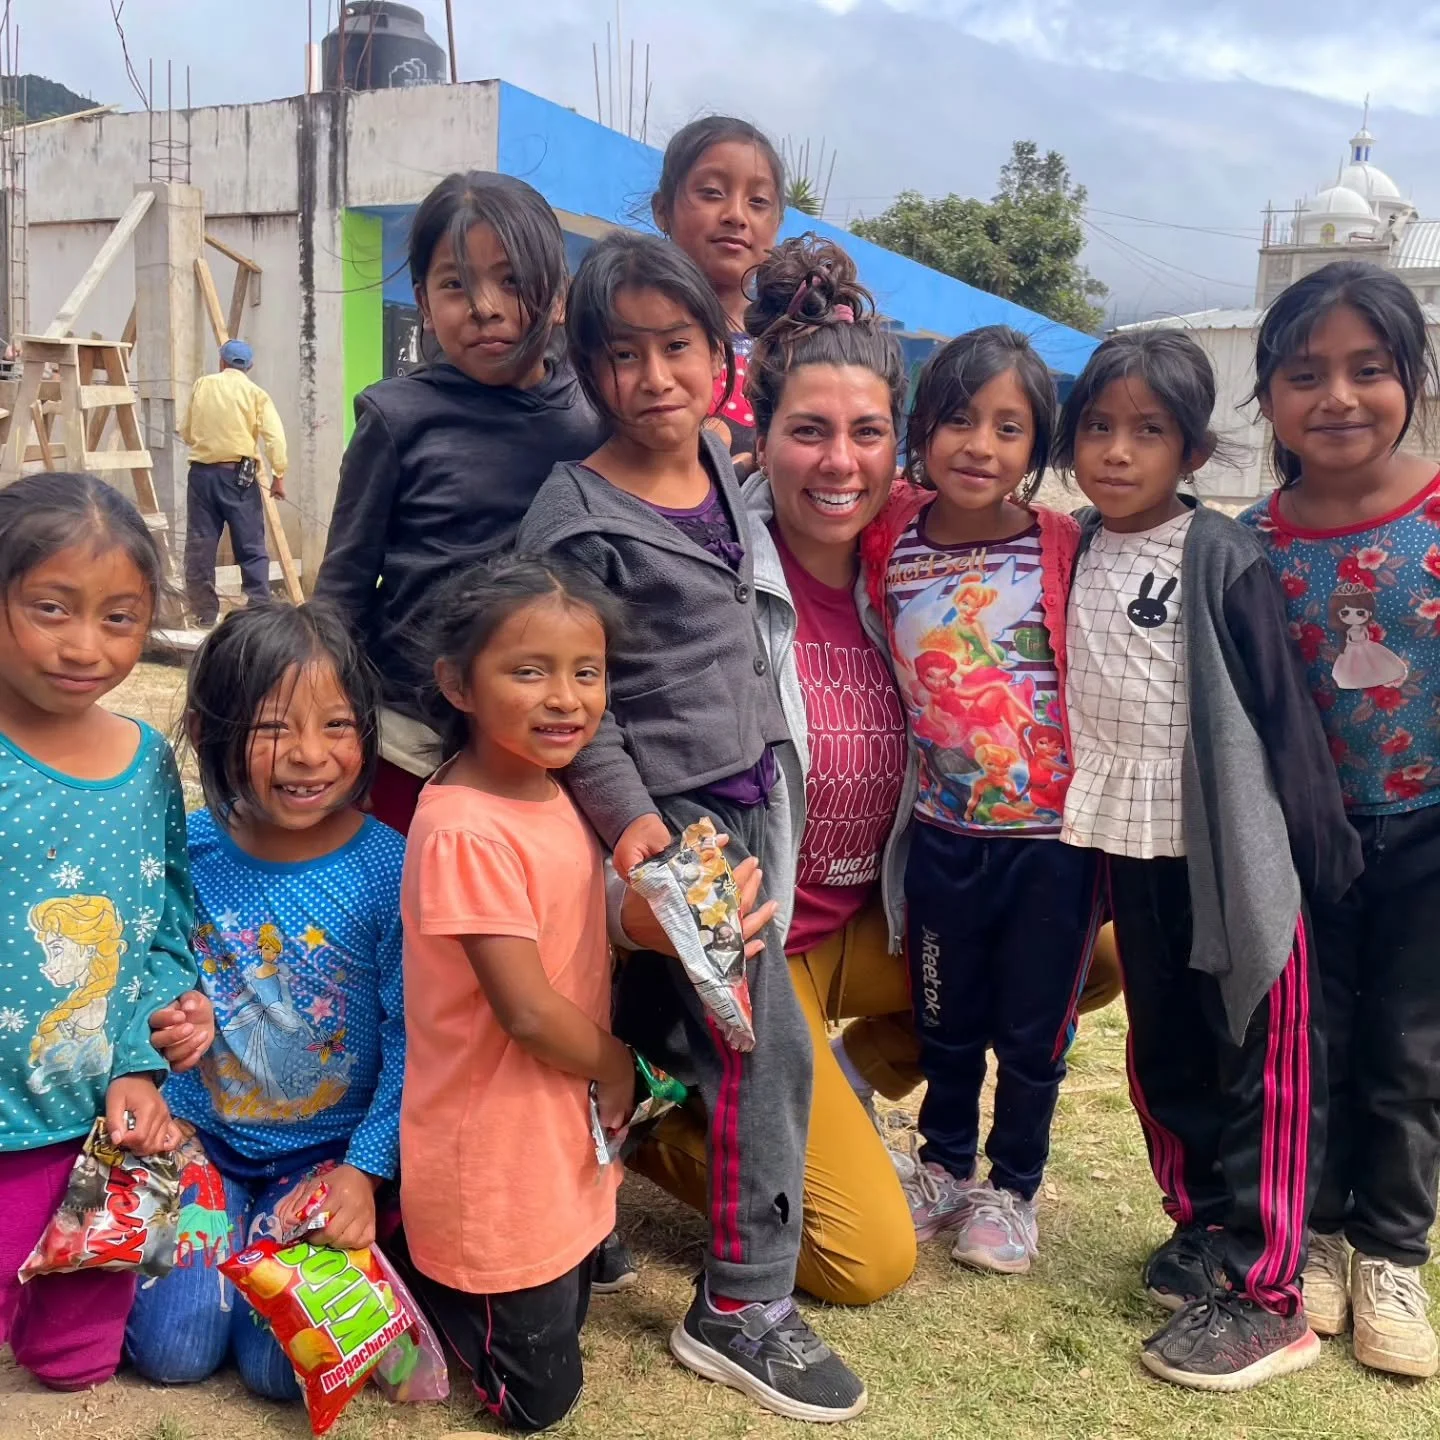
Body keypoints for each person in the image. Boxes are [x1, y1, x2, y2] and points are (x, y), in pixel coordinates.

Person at [516, 232, 866, 1422]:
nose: (655, 376)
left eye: (679, 347)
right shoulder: (572, 515)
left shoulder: (720, 458)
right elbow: (572, 701)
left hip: (749, 794)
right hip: (673, 825)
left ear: (722, 359)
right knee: (753, 1050)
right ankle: (743, 1303)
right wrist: (635, 838)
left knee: (706, 1036)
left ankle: (589, 1226)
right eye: (623, 356)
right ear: (589, 372)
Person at [1056, 330, 1361, 1391]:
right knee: (1167, 1044)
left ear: (1192, 451)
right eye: (1099, 426)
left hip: (1232, 846)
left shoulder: (1219, 553)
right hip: (1131, 843)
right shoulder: (1076, 545)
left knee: (1262, 1058)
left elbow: (1281, 709)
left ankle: (1269, 1289)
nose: (1118, 452)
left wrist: (1319, 848)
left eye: (1150, 431)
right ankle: (1198, 1224)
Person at [125, 602, 406, 1401]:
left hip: (322, 1162)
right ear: (211, 726)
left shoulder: (390, 868)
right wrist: (157, 1034)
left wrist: (367, 1172)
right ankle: (208, 1248)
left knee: (284, 1375)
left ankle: (307, 1246)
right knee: (175, 1355)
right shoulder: (189, 845)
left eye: (338, 725)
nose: (310, 755)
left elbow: (414, 1033)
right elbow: (144, 968)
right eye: (273, 728)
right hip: (198, 1146)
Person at [863, 325, 1098, 1275]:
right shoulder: (889, 535)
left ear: (1036, 452)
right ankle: (946, 1165)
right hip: (943, 834)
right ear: (923, 429)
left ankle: (1015, 1187)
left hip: (1054, 842)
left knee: (1033, 1027)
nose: (980, 445)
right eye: (958, 419)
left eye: (1009, 428)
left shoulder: (1066, 545)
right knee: (944, 1015)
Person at [1240, 260, 1440, 1379]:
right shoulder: (1251, 544)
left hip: (1429, 834)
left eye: (1369, 370)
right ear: (1267, 395)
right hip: (1304, 844)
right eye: (1306, 373)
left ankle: (1392, 1252)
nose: (1339, 397)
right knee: (1307, 1046)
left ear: (1409, 378)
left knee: (1410, 1050)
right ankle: (1310, 1235)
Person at [393, 557, 632, 1433]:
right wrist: (618, 1065)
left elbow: (575, 926)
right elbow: (527, 1011)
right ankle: (415, 1268)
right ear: (457, 682)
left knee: (568, 1292)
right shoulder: (465, 827)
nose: (565, 697)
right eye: (528, 672)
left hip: (547, 1126)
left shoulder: (549, 788)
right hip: (489, 1145)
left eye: (586, 672)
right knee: (539, 1404)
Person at [314, 172, 606, 835]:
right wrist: (331, 721)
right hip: (411, 745)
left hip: (554, 745)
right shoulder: (396, 417)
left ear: (557, 297)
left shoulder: (593, 420)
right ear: (421, 298)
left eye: (512, 281)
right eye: (455, 284)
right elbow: (343, 589)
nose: (484, 306)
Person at [0, 472, 201, 1391]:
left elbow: (164, 924)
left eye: (120, 617)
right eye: (51, 608)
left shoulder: (146, 760)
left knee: (76, 1364)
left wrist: (144, 1054)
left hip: (96, 1131)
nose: (86, 645)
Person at [652, 115, 784, 470]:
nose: (736, 215)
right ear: (662, 210)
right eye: (712, 192)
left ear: (777, 224)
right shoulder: (631, 336)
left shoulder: (793, 343)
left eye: (758, 201)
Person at [180, 338, 288, 628]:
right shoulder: (256, 394)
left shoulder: (202, 385)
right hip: (239, 477)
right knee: (250, 543)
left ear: (221, 362)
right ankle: (258, 608)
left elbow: (186, 431)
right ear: (249, 367)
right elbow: (274, 436)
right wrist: (279, 475)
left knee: (201, 543)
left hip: (201, 475)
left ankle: (204, 612)